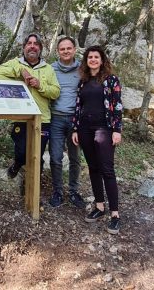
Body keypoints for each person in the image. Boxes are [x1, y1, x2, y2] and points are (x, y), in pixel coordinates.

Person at [71, 45, 123, 235]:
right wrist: (75, 128)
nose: (93, 60)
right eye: (90, 57)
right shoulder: (83, 82)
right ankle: (100, 207)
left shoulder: (111, 80)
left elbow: (117, 105)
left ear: (102, 60)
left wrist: (117, 129)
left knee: (107, 169)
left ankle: (115, 215)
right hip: (85, 129)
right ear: (86, 61)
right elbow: (78, 106)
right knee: (93, 168)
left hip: (104, 129)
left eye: (96, 57)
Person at [0, 33, 60, 180]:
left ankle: (31, 187)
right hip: (21, 117)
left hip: (42, 119)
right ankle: (18, 163)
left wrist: (40, 85)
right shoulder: (15, 62)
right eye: (29, 43)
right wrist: (20, 71)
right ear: (24, 47)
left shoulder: (48, 69)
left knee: (37, 155)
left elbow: (56, 92)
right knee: (22, 151)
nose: (32, 46)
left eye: (36, 44)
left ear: (40, 48)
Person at [48, 37, 86, 208]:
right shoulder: (51, 69)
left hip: (75, 120)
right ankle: (57, 191)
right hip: (55, 118)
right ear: (57, 51)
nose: (65, 51)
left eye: (68, 48)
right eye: (62, 49)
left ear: (74, 49)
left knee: (75, 157)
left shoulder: (82, 69)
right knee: (55, 157)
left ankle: (73, 191)